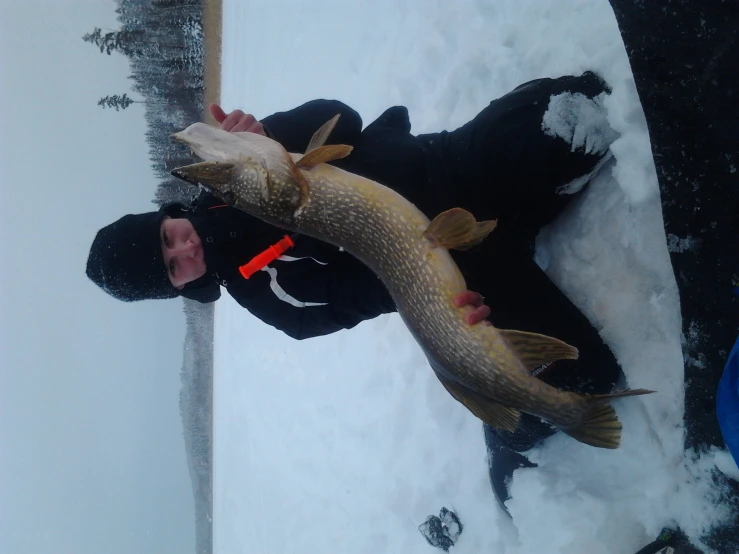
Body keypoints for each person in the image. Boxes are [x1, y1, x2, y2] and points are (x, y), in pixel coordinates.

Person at [86, 71, 623, 511]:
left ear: (168, 216)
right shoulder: (269, 298)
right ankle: (512, 431)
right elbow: (374, 294)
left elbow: (344, 116)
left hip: (452, 168)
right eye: (173, 268)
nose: (185, 250)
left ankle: (538, 198)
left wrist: (270, 136)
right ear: (179, 286)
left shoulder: (255, 164)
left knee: (581, 112)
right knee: (588, 381)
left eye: (168, 238)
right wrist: (452, 310)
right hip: (459, 270)